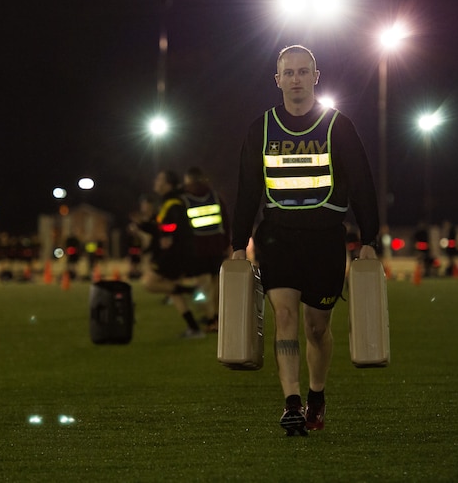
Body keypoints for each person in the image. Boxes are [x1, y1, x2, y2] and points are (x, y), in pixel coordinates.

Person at [230, 45, 379, 436]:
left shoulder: (337, 126)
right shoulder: (260, 128)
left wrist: (370, 236)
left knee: (316, 328)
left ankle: (316, 395)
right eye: (288, 72)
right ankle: (292, 404)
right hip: (277, 237)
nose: (295, 78)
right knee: (284, 317)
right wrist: (237, 242)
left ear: (316, 77)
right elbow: (247, 190)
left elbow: (362, 182)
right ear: (277, 80)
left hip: (326, 240)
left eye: (302, 71)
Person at [139, 170, 203, 338]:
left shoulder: (173, 202)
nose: (156, 182)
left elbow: (175, 226)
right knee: (173, 292)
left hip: (175, 253)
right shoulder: (167, 202)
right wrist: (147, 227)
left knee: (149, 282)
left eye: (159, 179)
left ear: (168, 184)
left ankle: (191, 290)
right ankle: (194, 329)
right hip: (176, 251)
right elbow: (164, 227)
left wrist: (166, 234)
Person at [180, 166, 230, 332]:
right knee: (217, 287)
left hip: (198, 251)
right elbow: (226, 222)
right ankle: (217, 317)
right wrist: (227, 244)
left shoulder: (184, 200)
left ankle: (210, 319)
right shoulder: (215, 197)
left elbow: (183, 229)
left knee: (202, 288)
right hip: (217, 248)